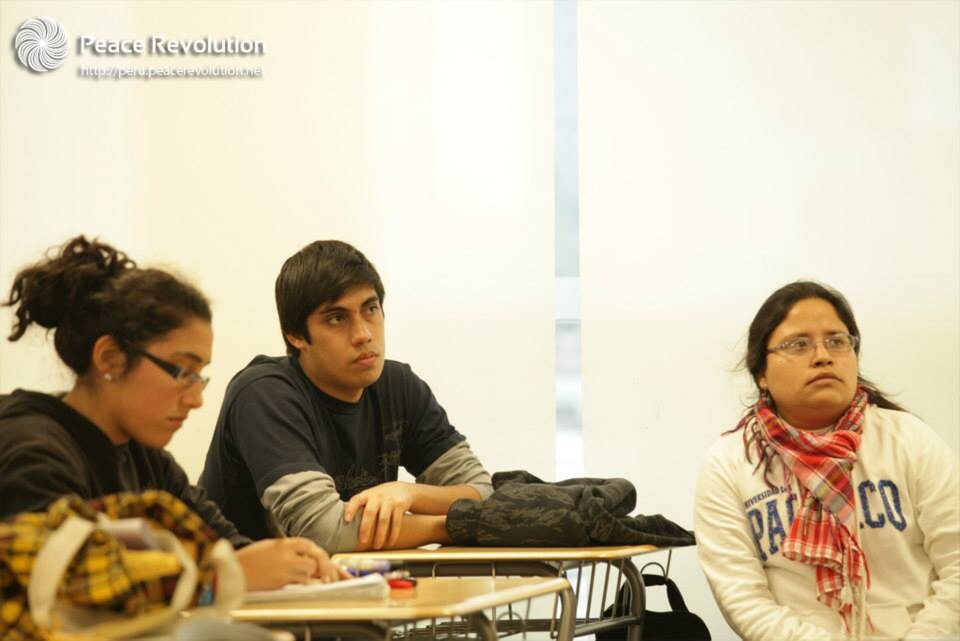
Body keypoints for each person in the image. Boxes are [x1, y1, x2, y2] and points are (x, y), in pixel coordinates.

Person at [0, 236, 344, 591]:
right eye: (183, 372)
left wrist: (285, 561)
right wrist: (219, 576)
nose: (196, 399)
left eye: (201, 376)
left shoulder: (146, 458)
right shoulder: (33, 452)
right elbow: (58, 589)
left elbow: (223, 544)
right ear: (110, 358)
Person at [695, 281, 959, 640]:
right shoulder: (729, 465)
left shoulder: (909, 440)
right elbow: (744, 600)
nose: (822, 355)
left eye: (837, 341)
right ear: (761, 374)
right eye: (798, 344)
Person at [199, 240, 492, 553]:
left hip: (353, 588)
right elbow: (325, 533)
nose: (364, 334)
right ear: (295, 335)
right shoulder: (263, 393)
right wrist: (450, 526)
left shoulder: (399, 385)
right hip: (251, 595)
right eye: (337, 318)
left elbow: (483, 493)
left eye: (371, 309)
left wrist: (408, 494)